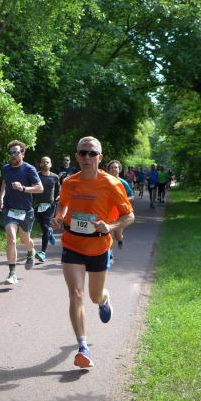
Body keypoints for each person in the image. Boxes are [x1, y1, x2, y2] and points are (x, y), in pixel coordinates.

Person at [52, 137, 134, 369]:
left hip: (99, 246)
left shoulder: (111, 184)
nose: (87, 157)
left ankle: (104, 299)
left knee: (94, 296)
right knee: (76, 293)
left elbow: (129, 216)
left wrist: (110, 226)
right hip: (72, 244)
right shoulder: (69, 182)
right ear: (77, 156)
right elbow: (63, 205)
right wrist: (59, 218)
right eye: (82, 153)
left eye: (92, 153)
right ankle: (83, 348)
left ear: (100, 157)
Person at [0, 140, 43, 284]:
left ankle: (31, 251)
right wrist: (1, 197)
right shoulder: (5, 168)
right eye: (11, 152)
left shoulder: (29, 169)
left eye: (16, 152)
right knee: (11, 238)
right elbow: (5, 182)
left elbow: (40, 188)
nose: (13, 155)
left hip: (25, 211)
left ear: (23, 153)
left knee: (24, 239)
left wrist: (23, 188)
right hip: (9, 209)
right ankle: (12, 273)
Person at [33, 156, 60, 263]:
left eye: (47, 162)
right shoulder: (36, 175)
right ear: (40, 164)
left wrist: (57, 198)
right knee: (43, 227)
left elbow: (58, 191)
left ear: (51, 164)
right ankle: (49, 231)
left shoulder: (55, 177)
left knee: (44, 227)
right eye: (43, 162)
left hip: (49, 206)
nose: (45, 163)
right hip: (37, 206)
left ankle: (43, 253)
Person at [106, 160, 134, 258]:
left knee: (118, 235)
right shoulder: (105, 181)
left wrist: (122, 201)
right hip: (108, 211)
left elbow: (132, 196)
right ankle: (110, 253)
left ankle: (120, 239)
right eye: (112, 167)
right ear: (109, 170)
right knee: (109, 233)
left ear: (119, 169)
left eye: (116, 167)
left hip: (120, 213)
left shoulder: (123, 182)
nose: (114, 169)